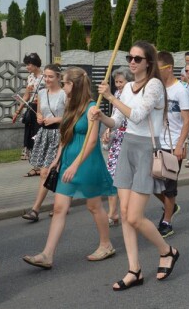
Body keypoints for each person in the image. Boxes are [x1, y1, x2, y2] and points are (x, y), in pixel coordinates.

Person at [90, 41, 180, 291]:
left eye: (137, 58)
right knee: (127, 217)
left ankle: (167, 250)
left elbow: (138, 115)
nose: (132, 61)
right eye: (130, 57)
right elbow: (117, 121)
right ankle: (134, 270)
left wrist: (110, 96)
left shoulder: (154, 86)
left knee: (134, 216)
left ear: (148, 62)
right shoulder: (127, 87)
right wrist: (101, 117)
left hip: (145, 150)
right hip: (127, 147)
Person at [23, 67, 116, 269]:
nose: (62, 86)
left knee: (94, 206)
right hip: (68, 161)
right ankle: (47, 254)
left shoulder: (92, 108)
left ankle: (106, 244)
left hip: (87, 163)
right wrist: (57, 159)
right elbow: (66, 135)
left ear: (72, 85)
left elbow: (92, 143)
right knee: (58, 208)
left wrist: (75, 165)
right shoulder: (70, 106)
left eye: (64, 83)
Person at [21, 64, 67, 222]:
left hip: (60, 134)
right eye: (45, 76)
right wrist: (39, 117)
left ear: (58, 77)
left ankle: (36, 209)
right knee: (50, 171)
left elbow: (72, 116)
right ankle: (60, 203)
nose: (47, 79)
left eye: (50, 76)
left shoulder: (64, 94)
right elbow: (39, 112)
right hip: (45, 134)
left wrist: (56, 119)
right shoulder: (41, 93)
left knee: (46, 172)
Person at [155, 52, 189, 237]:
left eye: (157, 68)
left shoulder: (180, 90)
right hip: (155, 142)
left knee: (169, 186)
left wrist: (179, 146)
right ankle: (171, 206)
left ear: (169, 68)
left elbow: (187, 121)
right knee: (150, 183)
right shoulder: (156, 88)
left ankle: (167, 221)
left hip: (172, 144)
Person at [101, 67, 133, 227]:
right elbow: (116, 118)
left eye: (122, 81)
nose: (118, 85)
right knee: (112, 176)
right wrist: (108, 129)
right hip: (118, 140)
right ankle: (113, 212)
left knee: (131, 181)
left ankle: (166, 200)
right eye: (116, 82)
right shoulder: (117, 96)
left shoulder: (134, 95)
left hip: (132, 140)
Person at [13, 53, 44, 168]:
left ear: (36, 64)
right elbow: (26, 96)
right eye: (26, 64)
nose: (27, 67)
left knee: (38, 135)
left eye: (29, 64)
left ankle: (41, 165)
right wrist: (17, 111)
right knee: (30, 136)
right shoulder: (30, 77)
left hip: (41, 109)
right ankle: (35, 166)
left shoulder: (45, 77)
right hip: (31, 107)